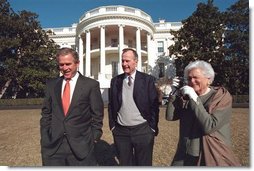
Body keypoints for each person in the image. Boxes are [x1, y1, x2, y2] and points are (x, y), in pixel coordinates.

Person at [166, 60, 240, 166]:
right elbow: (170, 116)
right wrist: (173, 93)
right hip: (184, 154)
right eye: (189, 78)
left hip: (209, 154)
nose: (192, 81)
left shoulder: (220, 96)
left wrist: (194, 99)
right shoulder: (187, 96)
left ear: (208, 79)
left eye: (196, 77)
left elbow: (209, 126)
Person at [40, 47, 104, 166]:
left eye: (68, 64)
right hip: (53, 146)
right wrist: (45, 136)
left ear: (77, 63)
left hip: (81, 146)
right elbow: (46, 113)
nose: (64, 68)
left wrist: (94, 138)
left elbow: (97, 115)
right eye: (61, 65)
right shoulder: (51, 85)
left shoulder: (91, 85)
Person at [108, 48, 159, 166]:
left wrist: (152, 128)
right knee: (125, 164)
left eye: (127, 61)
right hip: (121, 132)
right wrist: (113, 126)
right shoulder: (115, 81)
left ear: (136, 62)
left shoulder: (147, 80)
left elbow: (154, 106)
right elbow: (111, 105)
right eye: (122, 61)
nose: (124, 64)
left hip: (143, 130)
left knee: (144, 164)